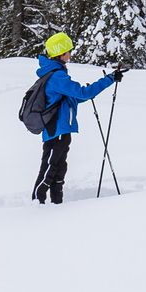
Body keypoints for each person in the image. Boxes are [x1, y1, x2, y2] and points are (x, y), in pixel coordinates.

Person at [31, 31, 123, 204]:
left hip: (61, 130)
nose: (70, 54)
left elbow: (74, 98)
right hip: (55, 131)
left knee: (59, 170)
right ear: (60, 53)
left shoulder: (57, 73)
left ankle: (57, 205)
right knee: (49, 170)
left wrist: (103, 83)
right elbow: (83, 93)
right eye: (68, 51)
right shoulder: (57, 76)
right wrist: (109, 79)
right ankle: (36, 203)